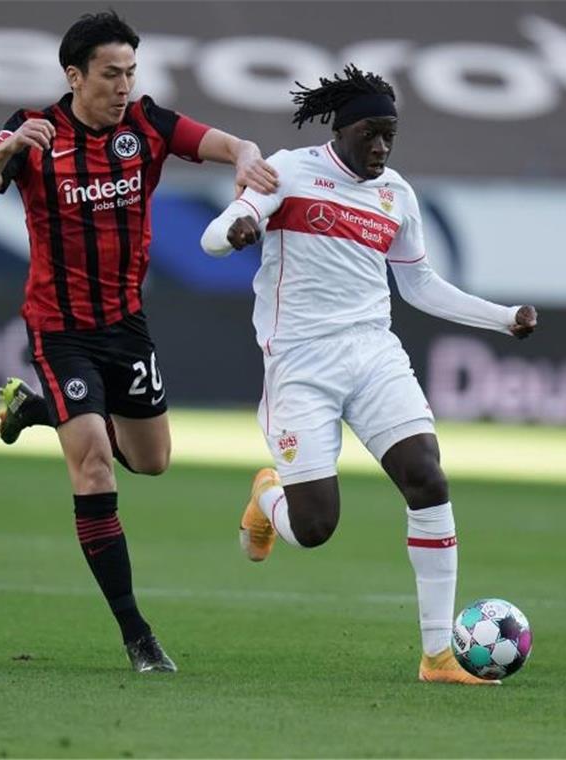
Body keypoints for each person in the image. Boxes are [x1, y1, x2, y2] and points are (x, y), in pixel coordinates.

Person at [0, 10, 279, 673]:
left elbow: (223, 143)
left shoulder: (147, 126)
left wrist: (246, 157)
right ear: (75, 76)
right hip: (58, 325)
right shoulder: (34, 129)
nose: (123, 85)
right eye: (110, 73)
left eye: (131, 72)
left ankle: (35, 409)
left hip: (126, 325)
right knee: (95, 462)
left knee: (151, 460)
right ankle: (138, 636)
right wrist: (7, 151)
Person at [199, 65, 537, 685]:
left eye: (391, 135)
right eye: (372, 134)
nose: (381, 147)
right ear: (343, 127)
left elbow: (420, 285)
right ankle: (265, 499)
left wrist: (502, 317)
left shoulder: (397, 195)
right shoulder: (288, 170)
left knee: (427, 477)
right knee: (315, 526)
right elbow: (212, 237)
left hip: (374, 354)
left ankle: (437, 657)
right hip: (301, 363)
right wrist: (237, 228)